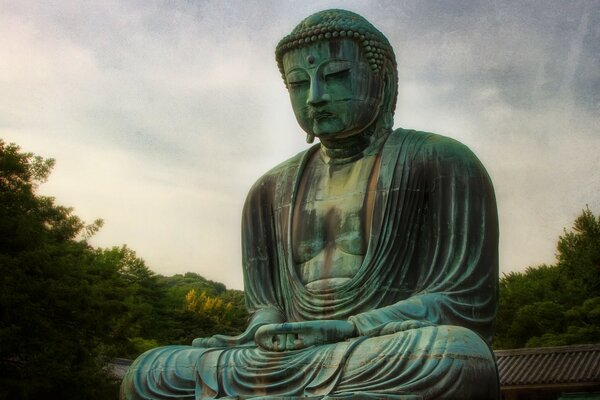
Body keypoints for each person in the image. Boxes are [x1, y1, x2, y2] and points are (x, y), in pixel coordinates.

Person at [121, 9, 500, 399]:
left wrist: (352, 327)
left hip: (376, 349)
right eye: (298, 83)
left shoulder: (442, 161)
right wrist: (261, 328)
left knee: (456, 356)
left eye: (335, 76)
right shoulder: (268, 190)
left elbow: (462, 302)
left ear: (382, 81)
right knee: (150, 371)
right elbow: (266, 305)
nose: (315, 98)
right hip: (286, 359)